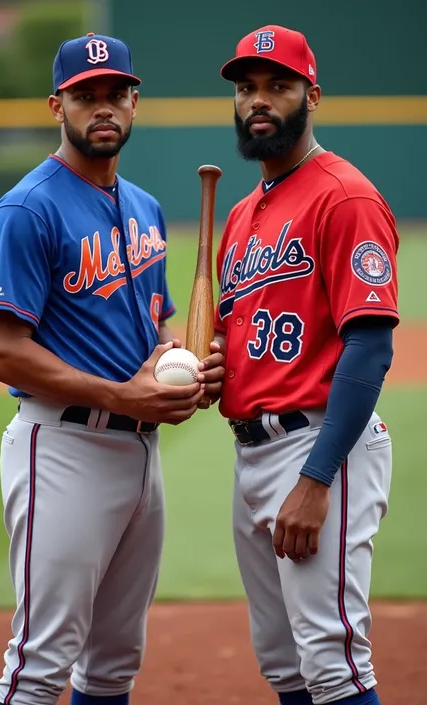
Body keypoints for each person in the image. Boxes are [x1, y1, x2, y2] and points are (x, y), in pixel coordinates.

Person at [0, 32, 224, 705]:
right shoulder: (28, 210)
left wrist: (184, 362)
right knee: (38, 664)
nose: (103, 106)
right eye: (86, 95)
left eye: (116, 92)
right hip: (63, 448)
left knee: (114, 662)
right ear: (57, 104)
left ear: (135, 101)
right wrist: (125, 392)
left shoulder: (141, 205)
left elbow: (157, 324)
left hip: (138, 455)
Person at [214, 24, 398, 705]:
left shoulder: (343, 196)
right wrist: (210, 368)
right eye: (245, 88)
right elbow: (242, 338)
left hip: (320, 448)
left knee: (331, 660)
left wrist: (317, 479)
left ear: (311, 95)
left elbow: (371, 345)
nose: (258, 100)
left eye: (277, 85)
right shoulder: (241, 215)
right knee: (284, 662)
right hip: (252, 454)